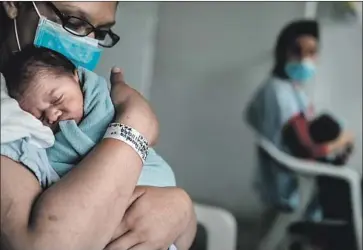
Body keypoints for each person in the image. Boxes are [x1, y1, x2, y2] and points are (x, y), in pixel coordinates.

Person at [0, 2, 196, 250]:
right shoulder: (12, 108)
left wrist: (180, 210)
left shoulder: (83, 91)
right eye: (73, 21)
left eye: (100, 32)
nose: (87, 42)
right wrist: (135, 125)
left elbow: (183, 231)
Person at [244, 19, 357, 218]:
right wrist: (342, 141)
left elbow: (252, 116)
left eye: (312, 52)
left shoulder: (291, 89)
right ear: (283, 52)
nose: (304, 59)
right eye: (297, 50)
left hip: (291, 172)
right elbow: (303, 148)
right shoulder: (278, 92)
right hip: (289, 177)